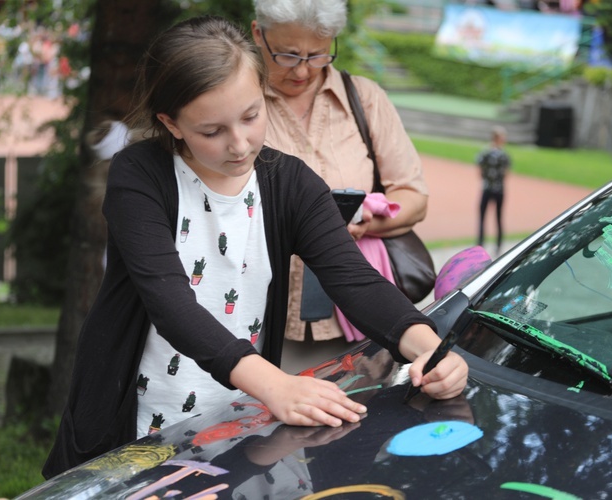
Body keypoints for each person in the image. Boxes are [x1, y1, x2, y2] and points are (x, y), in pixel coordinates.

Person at [42, 15, 468, 479]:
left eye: (251, 116)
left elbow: (355, 279)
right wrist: (275, 385)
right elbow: (169, 303)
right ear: (171, 123)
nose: (240, 144)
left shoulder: (291, 183)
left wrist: (430, 348)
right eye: (212, 131)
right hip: (135, 418)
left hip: (238, 418)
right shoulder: (139, 176)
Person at [250, 0, 431, 348]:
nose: (303, 71)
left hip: (357, 316)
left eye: (318, 55)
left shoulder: (364, 98)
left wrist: (363, 225)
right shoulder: (240, 103)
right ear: (259, 33)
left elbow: (414, 199)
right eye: (287, 55)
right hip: (259, 312)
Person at [475, 125, 510, 254]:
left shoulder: (485, 152)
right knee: (498, 217)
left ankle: (480, 244)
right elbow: (506, 173)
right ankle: (498, 245)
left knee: (483, 216)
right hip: (499, 189)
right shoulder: (504, 155)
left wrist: (486, 179)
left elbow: (479, 168)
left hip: (487, 188)